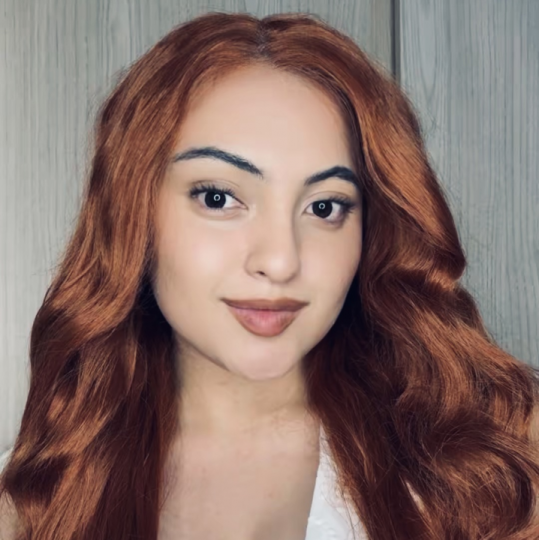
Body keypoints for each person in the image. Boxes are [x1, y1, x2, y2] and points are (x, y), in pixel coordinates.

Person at [0, 11, 537, 540]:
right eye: (218, 198)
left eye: (325, 207)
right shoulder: (34, 503)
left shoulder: (497, 465)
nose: (280, 261)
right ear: (133, 210)